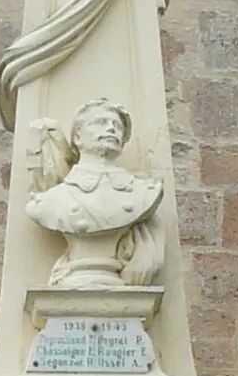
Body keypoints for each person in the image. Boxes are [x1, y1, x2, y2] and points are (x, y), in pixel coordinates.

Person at [25, 99, 166, 288]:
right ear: (77, 138)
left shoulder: (145, 193)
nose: (111, 129)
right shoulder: (50, 201)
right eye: (101, 123)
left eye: (116, 125)